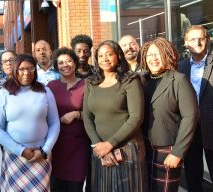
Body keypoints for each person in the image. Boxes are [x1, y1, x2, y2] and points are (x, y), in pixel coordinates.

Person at [82, 40, 147, 192]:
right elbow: (87, 115)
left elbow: (136, 117)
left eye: (109, 54)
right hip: (100, 151)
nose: (105, 59)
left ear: (118, 56)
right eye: (100, 56)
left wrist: (110, 144)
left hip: (127, 150)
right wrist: (97, 144)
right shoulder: (91, 82)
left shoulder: (130, 80)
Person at [0, 54, 60, 191]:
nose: (26, 73)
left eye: (30, 68)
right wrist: (21, 150)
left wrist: (45, 150)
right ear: (15, 70)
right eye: (21, 69)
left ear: (35, 70)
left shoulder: (45, 91)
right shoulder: (4, 93)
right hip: (15, 156)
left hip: (41, 156)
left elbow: (54, 123)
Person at [140, 37, 198, 192]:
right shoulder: (141, 81)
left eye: (158, 54)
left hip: (167, 150)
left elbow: (190, 116)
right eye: (149, 54)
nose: (153, 58)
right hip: (143, 148)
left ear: (167, 54)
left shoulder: (179, 80)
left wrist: (178, 152)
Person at [48, 47, 90, 192]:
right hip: (56, 145)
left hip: (78, 145)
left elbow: (94, 112)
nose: (65, 65)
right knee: (56, 186)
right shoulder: (51, 87)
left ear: (75, 62)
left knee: (75, 186)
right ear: (56, 66)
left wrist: (77, 114)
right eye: (60, 63)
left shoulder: (87, 85)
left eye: (68, 61)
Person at [178, 25, 213, 192]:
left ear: (208, 40)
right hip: (189, 129)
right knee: (192, 175)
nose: (197, 42)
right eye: (192, 39)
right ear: (186, 43)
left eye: (201, 38)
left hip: (212, 126)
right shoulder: (180, 67)